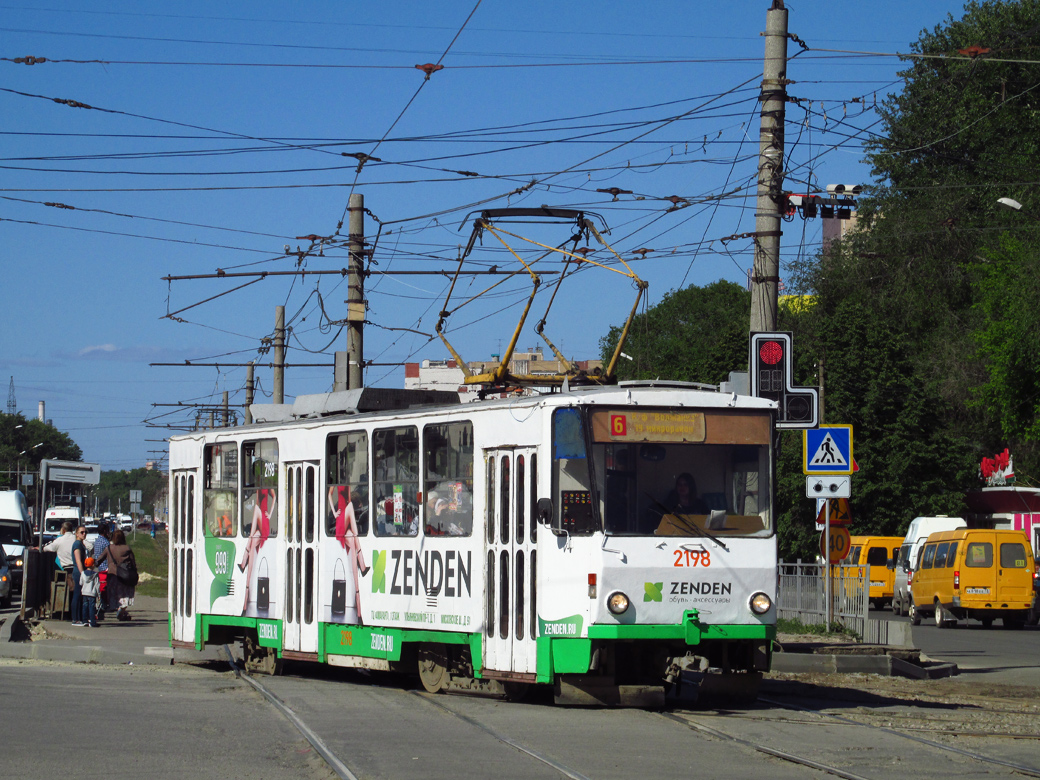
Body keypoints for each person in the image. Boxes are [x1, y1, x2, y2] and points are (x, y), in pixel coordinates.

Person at [327, 485, 369, 623]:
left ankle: (359, 614)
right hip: (341, 521)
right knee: (350, 507)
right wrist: (334, 512)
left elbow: (349, 500)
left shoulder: (348, 485)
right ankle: (362, 563)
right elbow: (329, 495)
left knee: (352, 538)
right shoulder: (335, 483)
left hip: (346, 525)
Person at [237, 488, 274, 615]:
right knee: (253, 546)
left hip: (264, 520)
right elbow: (258, 501)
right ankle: (245, 599)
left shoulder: (269, 486)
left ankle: (244, 558)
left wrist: (270, 513)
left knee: (256, 510)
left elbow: (274, 497)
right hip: (259, 522)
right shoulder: (258, 489)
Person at [99, 529, 136, 621]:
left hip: (112, 575)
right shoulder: (127, 548)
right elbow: (133, 562)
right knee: (125, 593)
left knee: (114, 593)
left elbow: (99, 559)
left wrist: (91, 564)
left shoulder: (109, 548)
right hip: (125, 575)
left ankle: (117, 608)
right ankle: (122, 609)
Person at [69, 526, 89, 625]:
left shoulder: (82, 544)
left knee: (81, 595)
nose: (84, 534)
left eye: (85, 532)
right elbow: (78, 560)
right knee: (77, 594)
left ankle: (80, 617)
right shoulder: (77, 544)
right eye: (81, 532)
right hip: (78, 572)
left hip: (81, 571)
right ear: (76, 534)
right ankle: (75, 618)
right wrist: (82, 573)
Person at [91, 523, 111, 622]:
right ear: (104, 531)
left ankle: (103, 603)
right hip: (106, 567)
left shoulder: (97, 541)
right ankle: (104, 604)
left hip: (99, 567)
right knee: (106, 588)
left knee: (102, 587)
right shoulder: (105, 542)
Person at [79, 557, 99, 628]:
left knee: (85, 606)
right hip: (92, 593)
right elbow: (97, 585)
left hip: (84, 592)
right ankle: (92, 622)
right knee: (91, 607)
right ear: (93, 565)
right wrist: (99, 594)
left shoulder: (83, 573)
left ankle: (84, 621)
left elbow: (80, 583)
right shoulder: (95, 574)